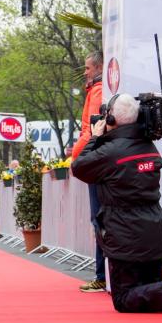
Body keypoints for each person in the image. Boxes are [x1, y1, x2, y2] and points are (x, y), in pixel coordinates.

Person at [71, 93, 162, 312]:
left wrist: (95, 138)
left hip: (124, 238)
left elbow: (78, 167)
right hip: (153, 234)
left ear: (110, 120)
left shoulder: (110, 153)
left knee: (124, 299)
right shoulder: (148, 148)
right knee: (150, 290)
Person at [71, 51, 106, 293]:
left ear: (99, 67)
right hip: (96, 160)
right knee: (99, 220)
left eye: (88, 68)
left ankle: (102, 276)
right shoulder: (95, 90)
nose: (85, 72)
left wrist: (77, 158)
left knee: (100, 220)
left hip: (95, 162)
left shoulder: (98, 91)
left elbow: (91, 129)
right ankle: (103, 275)